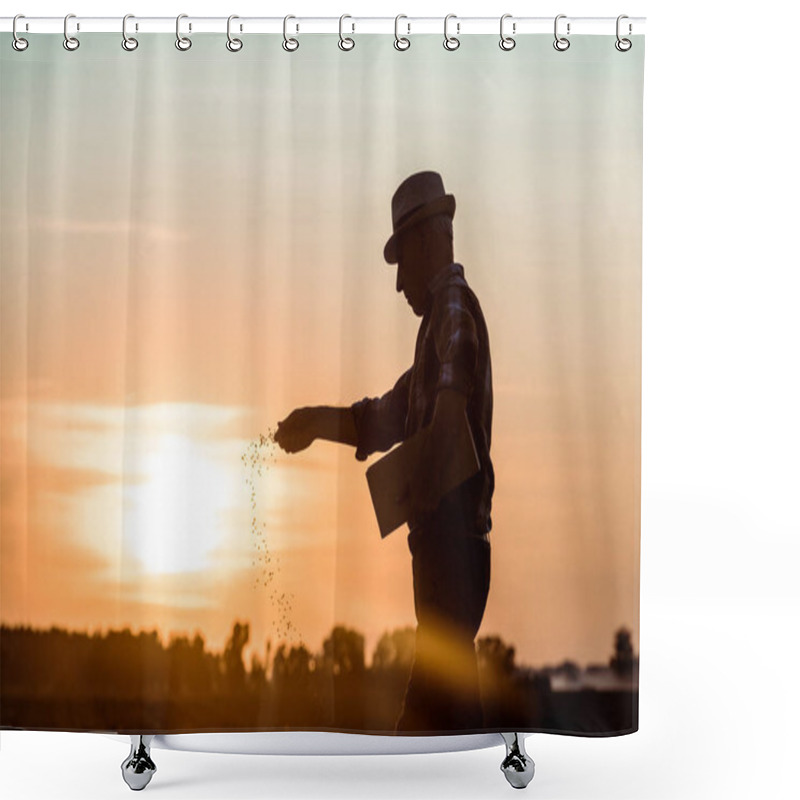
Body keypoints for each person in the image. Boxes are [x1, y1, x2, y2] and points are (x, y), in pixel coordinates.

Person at [274, 170, 494, 733]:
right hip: (447, 563)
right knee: (454, 720)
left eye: (400, 263)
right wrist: (313, 423)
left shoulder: (450, 311)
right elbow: (378, 419)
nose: (397, 285)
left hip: (453, 560)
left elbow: (447, 421)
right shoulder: (434, 336)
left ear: (426, 241)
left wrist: (418, 486)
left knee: (420, 730)